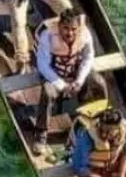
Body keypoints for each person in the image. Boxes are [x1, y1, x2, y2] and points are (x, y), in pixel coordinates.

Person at [33, 8, 108, 155]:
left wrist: (79, 80)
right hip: (53, 73)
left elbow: (88, 57)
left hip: (74, 71)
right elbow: (42, 64)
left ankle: (98, 120)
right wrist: (61, 84)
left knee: (99, 82)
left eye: (73, 29)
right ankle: (41, 132)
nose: (70, 33)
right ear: (59, 26)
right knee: (48, 92)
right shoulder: (47, 35)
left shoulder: (85, 34)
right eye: (66, 28)